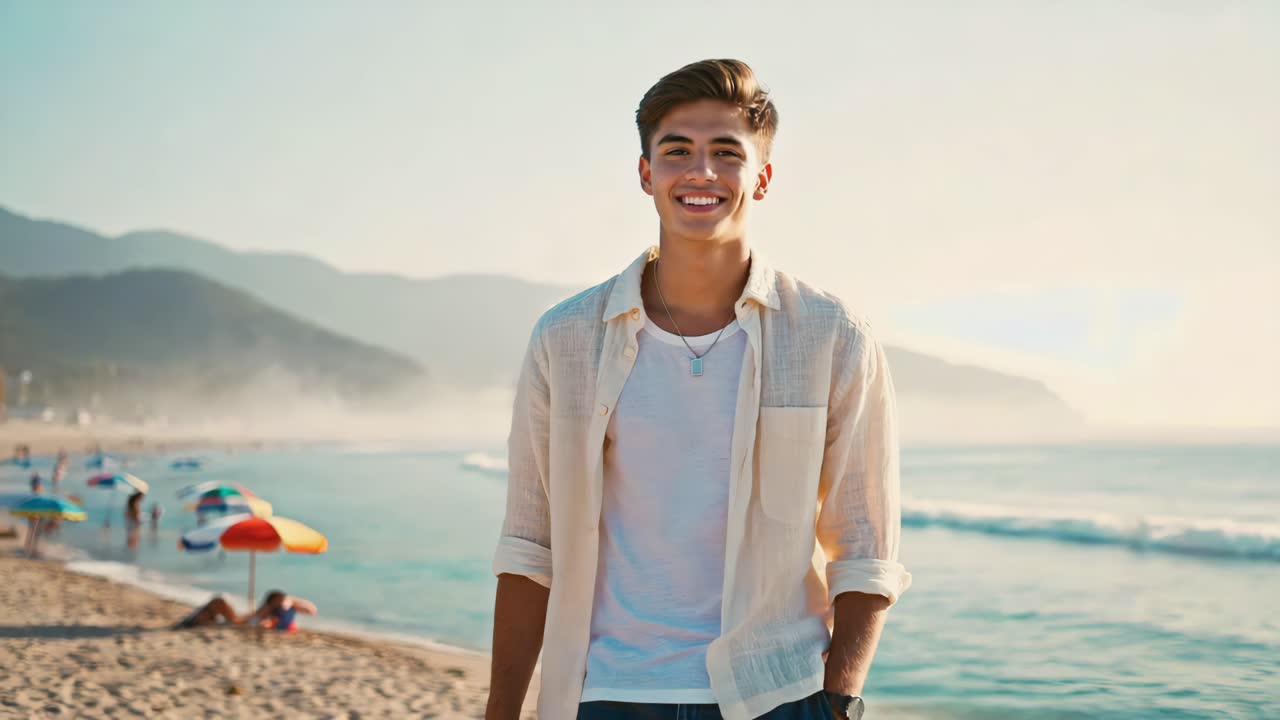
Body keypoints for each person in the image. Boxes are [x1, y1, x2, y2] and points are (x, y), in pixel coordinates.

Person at [487, 60, 909, 720]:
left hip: (775, 695)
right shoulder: (566, 338)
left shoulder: (831, 335)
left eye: (727, 154)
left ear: (762, 177)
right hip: (606, 696)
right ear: (645, 173)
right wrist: (501, 711)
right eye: (677, 150)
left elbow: (864, 545)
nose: (701, 173)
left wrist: (840, 702)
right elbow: (528, 546)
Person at [173, 590, 318, 632]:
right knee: (217, 602)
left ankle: (192, 620)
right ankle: (193, 620)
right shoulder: (267, 611)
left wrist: (291, 599)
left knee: (217, 602)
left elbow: (311, 609)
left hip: (238, 623)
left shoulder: (277, 614)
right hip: (239, 621)